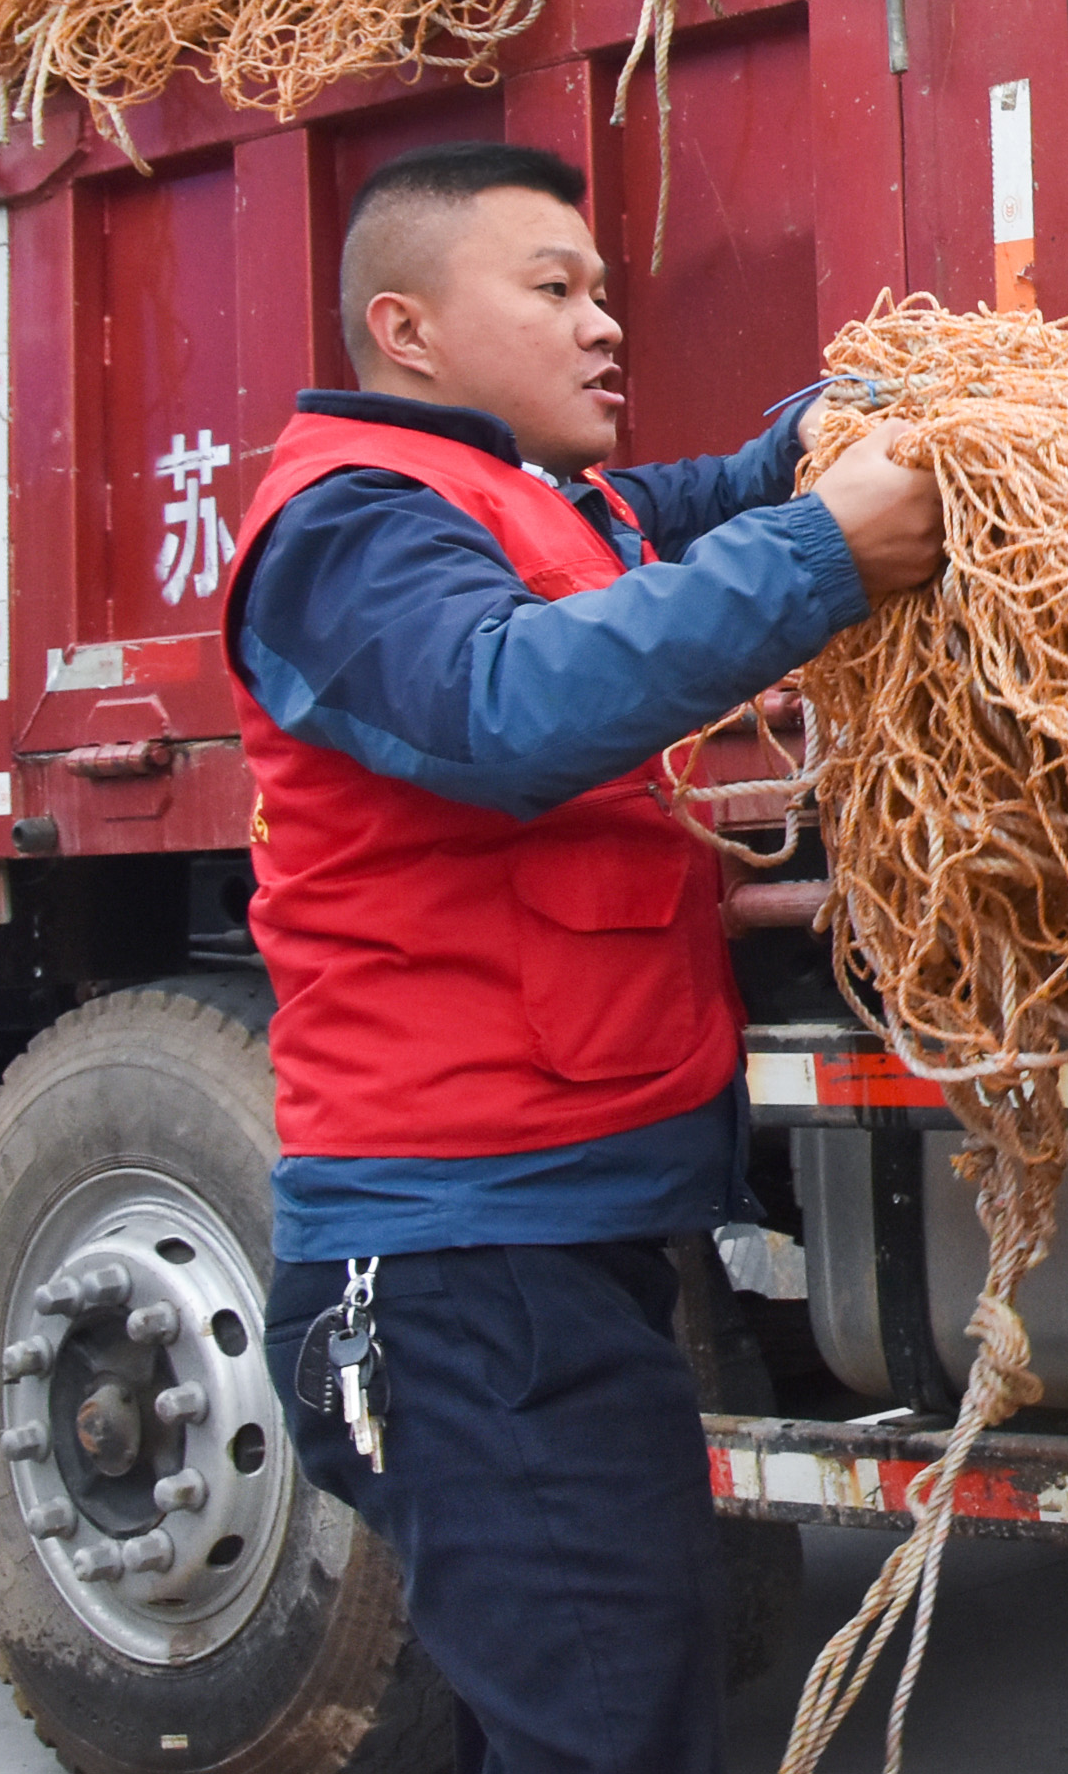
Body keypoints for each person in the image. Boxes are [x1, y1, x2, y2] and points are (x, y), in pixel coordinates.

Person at [224, 142, 940, 1774]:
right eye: (553, 288)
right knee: (611, 1723)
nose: (604, 321)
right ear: (405, 328)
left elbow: (699, 501)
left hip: (547, 1241)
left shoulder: (554, 502)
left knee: (593, 1706)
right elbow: (506, 703)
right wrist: (827, 548)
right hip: (463, 1266)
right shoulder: (347, 530)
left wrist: (828, 436)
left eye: (603, 287)